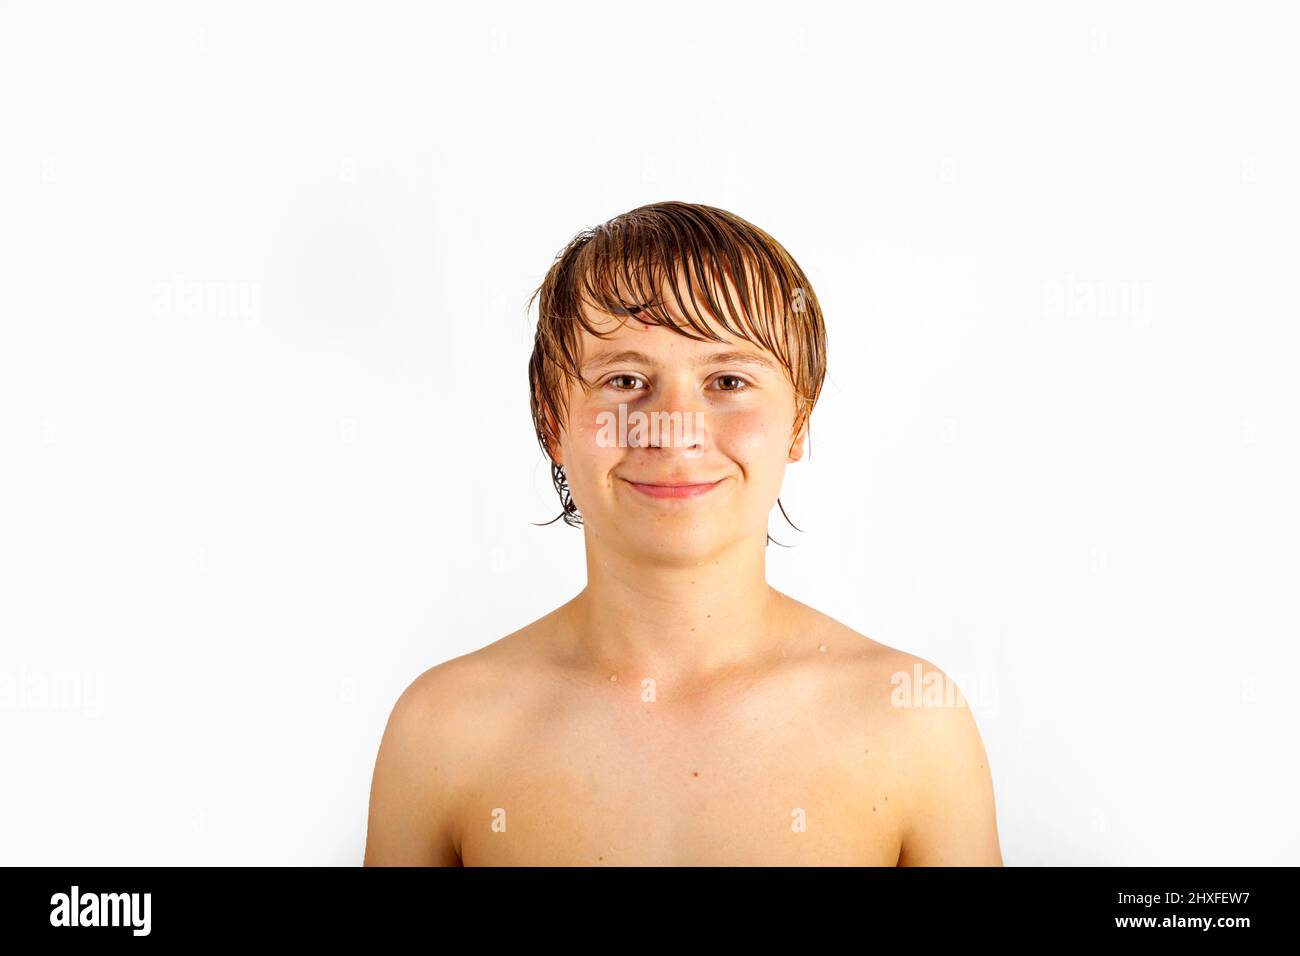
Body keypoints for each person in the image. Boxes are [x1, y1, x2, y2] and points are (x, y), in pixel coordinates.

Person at [363, 200, 1003, 865]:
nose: (673, 426)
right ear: (552, 421)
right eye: (626, 379)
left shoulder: (912, 726)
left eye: (727, 380)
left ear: (797, 423)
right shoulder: (443, 732)